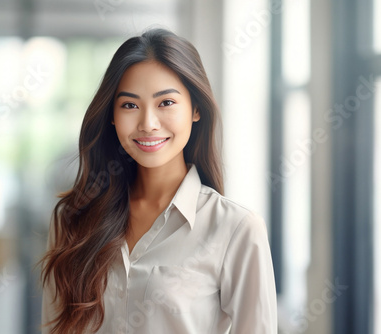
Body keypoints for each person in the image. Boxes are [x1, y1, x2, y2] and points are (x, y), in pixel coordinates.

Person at [38, 28, 278, 334]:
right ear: (111, 115)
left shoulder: (237, 229)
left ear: (195, 110)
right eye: (129, 105)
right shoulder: (73, 220)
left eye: (166, 103)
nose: (148, 124)